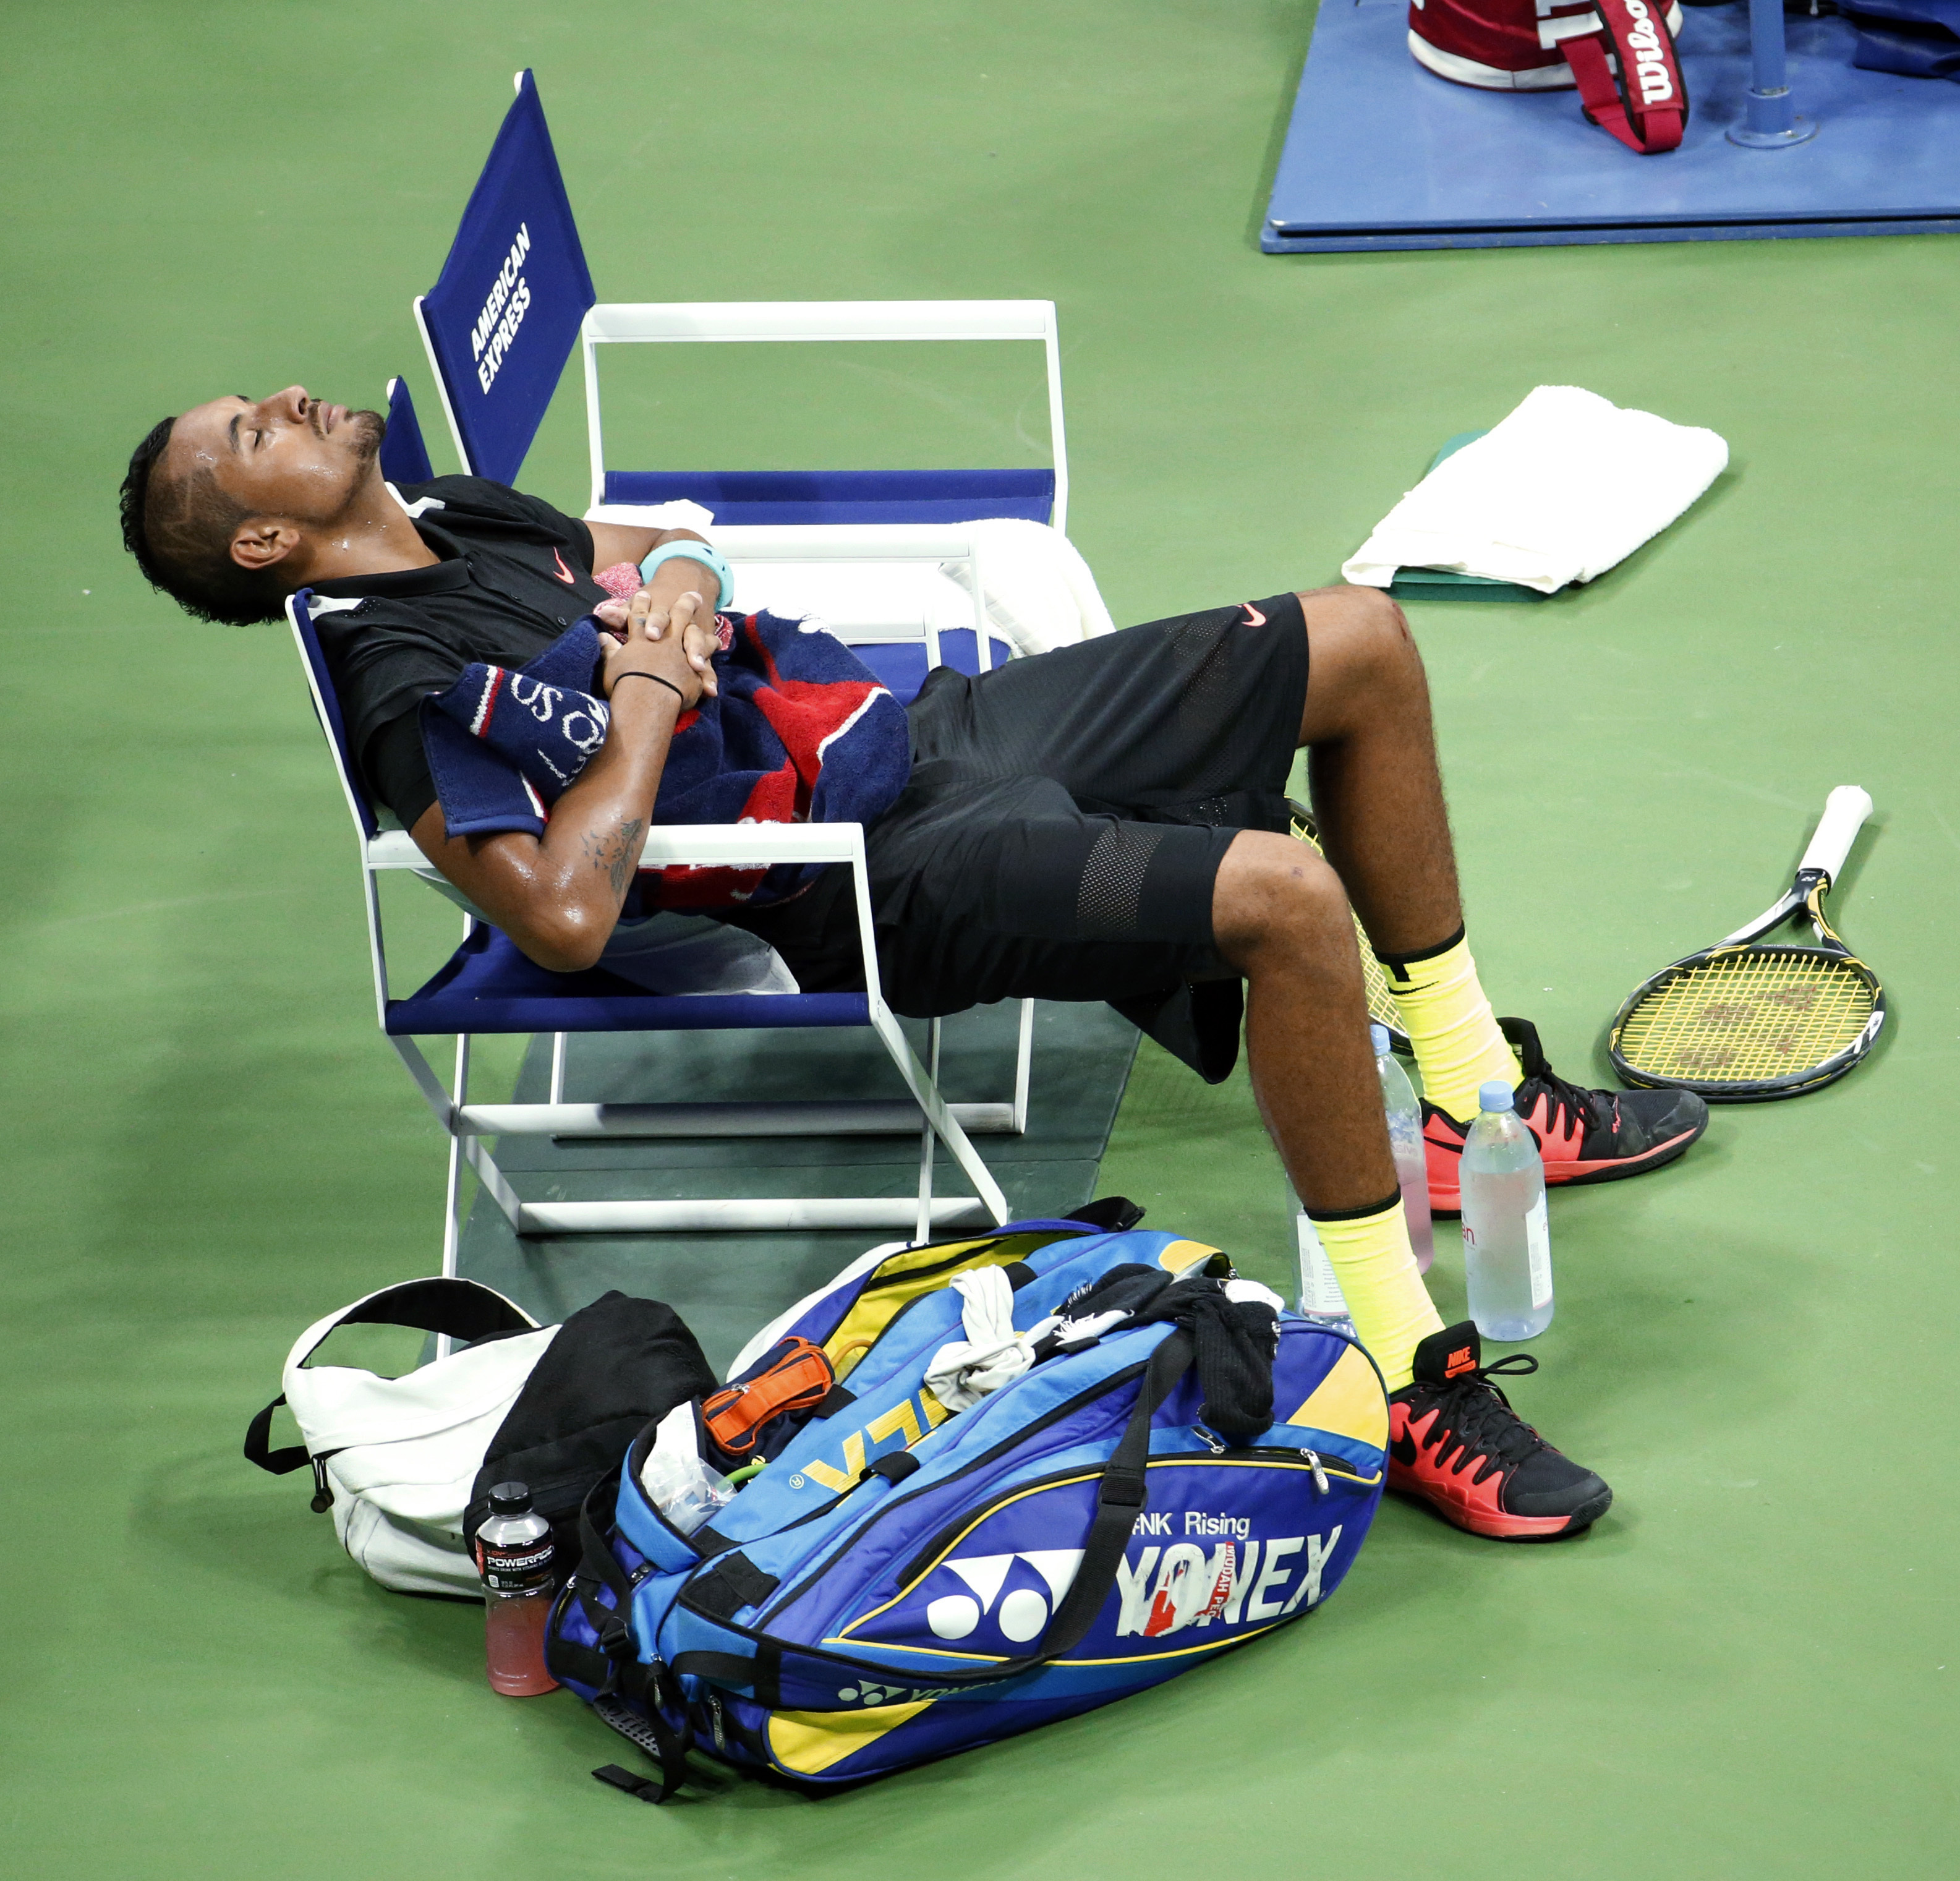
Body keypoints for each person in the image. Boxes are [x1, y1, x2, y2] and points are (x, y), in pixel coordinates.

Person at [120, 384, 1710, 1542]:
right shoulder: (398, 680)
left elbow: (670, 544)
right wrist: (655, 687)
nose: (290, 399)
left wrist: (671, 603)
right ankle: (1406, 1366)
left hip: (899, 736)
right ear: (262, 537)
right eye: (252, 430)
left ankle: (1474, 1099)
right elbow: (562, 917)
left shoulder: (457, 511)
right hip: (874, 880)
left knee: (1361, 637)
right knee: (1287, 899)